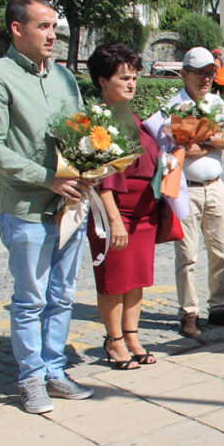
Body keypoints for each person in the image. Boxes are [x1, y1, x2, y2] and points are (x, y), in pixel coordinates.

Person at [0, 0, 94, 412]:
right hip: (26, 210)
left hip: (70, 207)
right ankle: (30, 379)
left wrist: (91, 166)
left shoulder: (63, 77)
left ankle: (55, 370)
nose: (52, 34)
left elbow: (80, 132)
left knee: (62, 296)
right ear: (17, 29)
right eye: (43, 26)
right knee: (31, 300)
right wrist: (48, 179)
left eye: (54, 26)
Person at [85, 43, 162, 369]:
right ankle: (114, 339)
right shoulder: (99, 120)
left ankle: (132, 335)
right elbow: (101, 177)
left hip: (144, 214)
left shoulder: (132, 117)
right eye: (123, 78)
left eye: (134, 77)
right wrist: (114, 219)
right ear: (103, 81)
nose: (131, 83)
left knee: (137, 280)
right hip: (115, 213)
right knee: (114, 281)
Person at [164, 46, 224, 339]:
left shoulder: (216, 104)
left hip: (215, 186)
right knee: (186, 255)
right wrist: (206, 141)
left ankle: (220, 307)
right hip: (186, 189)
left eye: (210, 73)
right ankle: (188, 312)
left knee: (221, 250)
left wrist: (206, 139)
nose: (206, 78)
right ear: (184, 74)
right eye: (199, 73)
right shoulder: (175, 107)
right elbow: (177, 149)